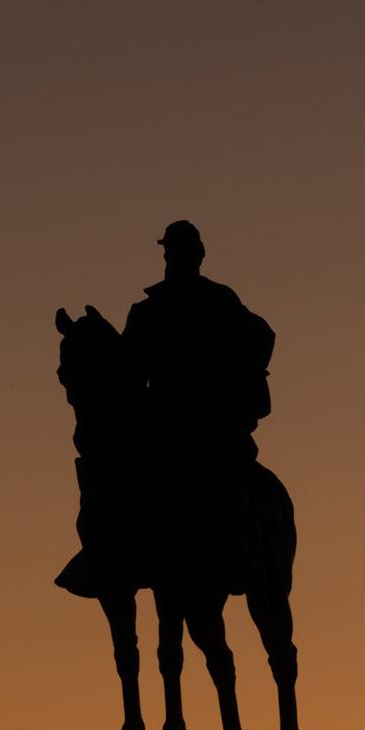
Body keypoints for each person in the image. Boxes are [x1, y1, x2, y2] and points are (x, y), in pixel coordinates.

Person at [121, 220, 276, 591]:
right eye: (169, 251)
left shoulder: (220, 301)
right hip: (159, 420)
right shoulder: (146, 310)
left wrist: (236, 385)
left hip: (210, 421)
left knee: (225, 474)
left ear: (199, 255)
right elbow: (126, 367)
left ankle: (243, 551)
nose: (172, 258)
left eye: (180, 250)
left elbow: (262, 337)